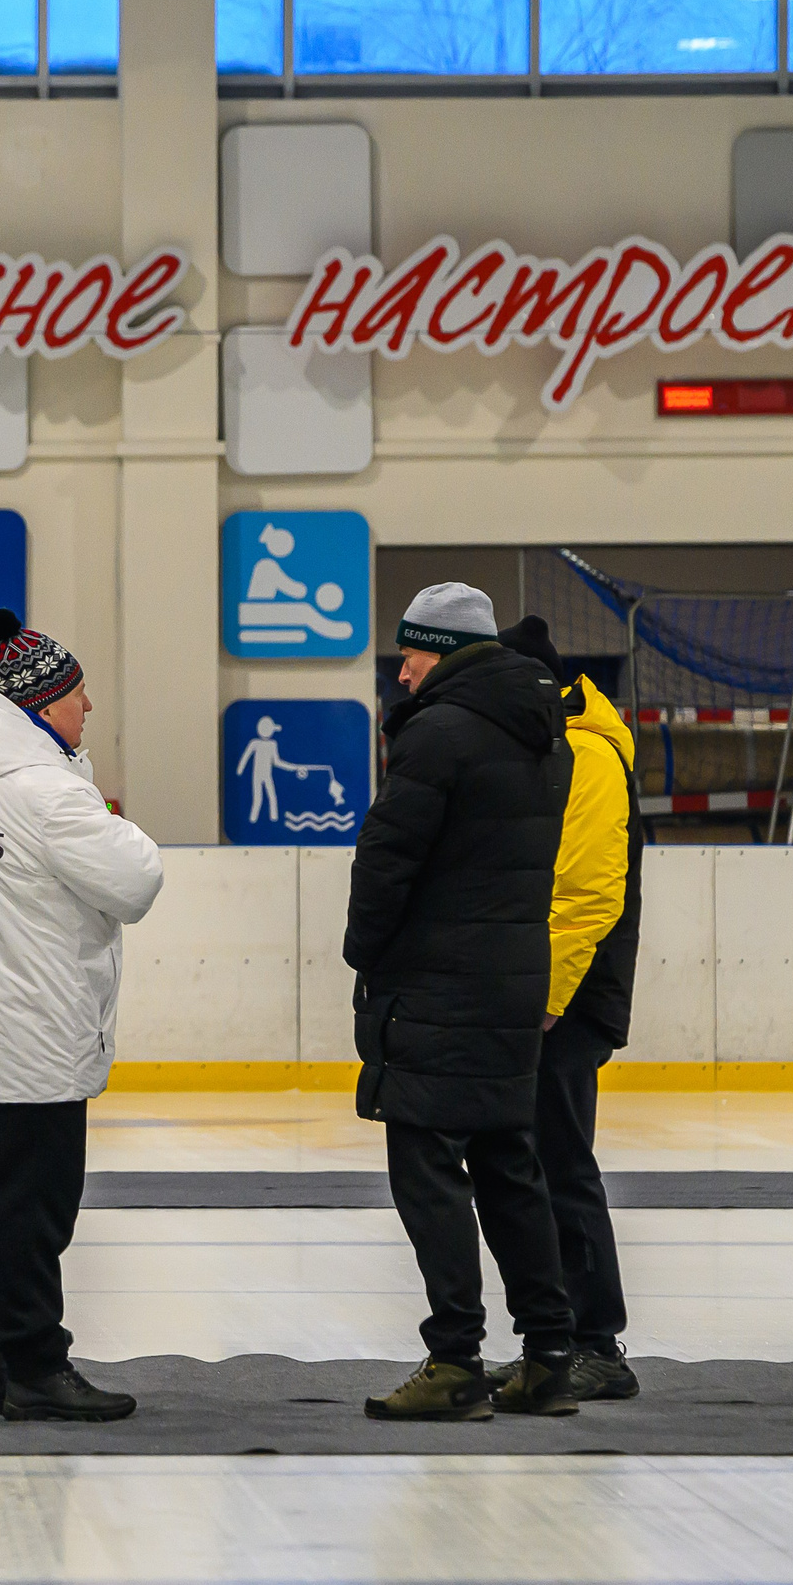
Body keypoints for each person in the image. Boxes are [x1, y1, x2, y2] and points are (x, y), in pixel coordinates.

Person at [0, 609, 163, 1423]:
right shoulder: (50, 795)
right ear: (41, 703)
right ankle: (35, 1365)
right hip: (31, 1038)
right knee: (32, 1213)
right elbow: (135, 881)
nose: (88, 705)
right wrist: (111, 816)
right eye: (76, 692)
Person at [348, 582, 581, 1423]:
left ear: (441, 650)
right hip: (512, 980)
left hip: (436, 982)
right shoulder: (545, 737)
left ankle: (455, 1358)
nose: (402, 672)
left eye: (409, 654)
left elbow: (386, 859)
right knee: (510, 1164)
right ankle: (551, 1354)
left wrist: (363, 954)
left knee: (427, 1165)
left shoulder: (437, 734)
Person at [496, 615, 642, 1402]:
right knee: (540, 1162)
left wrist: (545, 998)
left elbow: (587, 893)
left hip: (567, 997)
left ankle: (596, 1342)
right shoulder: (565, 742)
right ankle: (554, 1339)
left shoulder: (586, 753)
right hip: (552, 989)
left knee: (561, 1162)